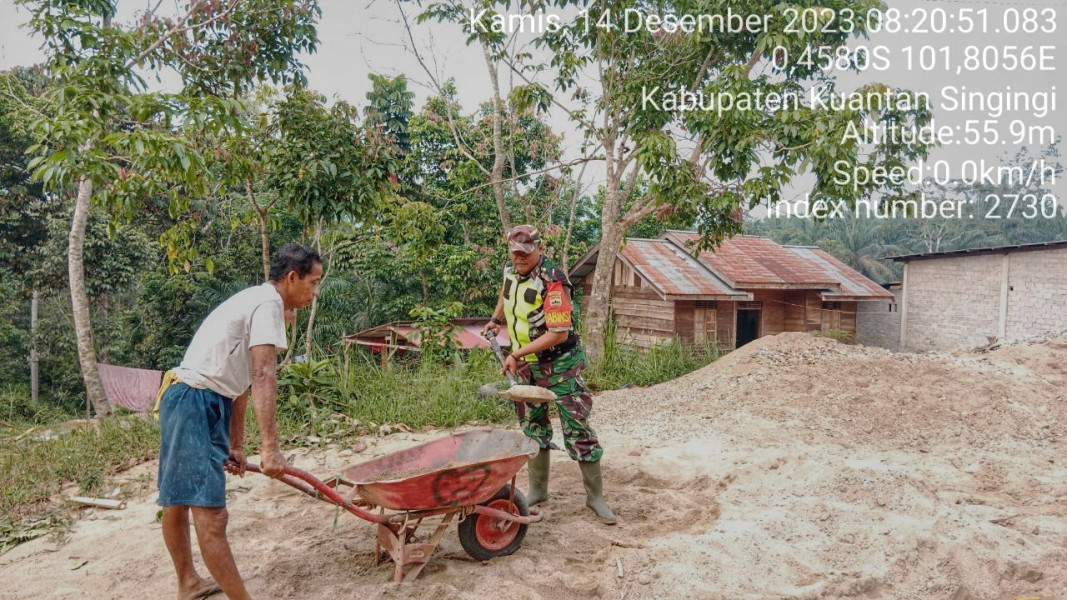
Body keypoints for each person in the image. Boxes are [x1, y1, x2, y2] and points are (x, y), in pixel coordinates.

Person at [156, 244, 322, 600]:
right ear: (292, 277)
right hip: (195, 400)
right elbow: (263, 374)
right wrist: (271, 449)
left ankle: (189, 583)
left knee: (178, 500)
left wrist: (236, 444)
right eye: (313, 282)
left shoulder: (258, 301)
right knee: (211, 516)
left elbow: (242, 385)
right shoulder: (269, 304)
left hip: (191, 398)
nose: (314, 292)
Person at [482, 225, 617, 524]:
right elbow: (506, 294)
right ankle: (539, 490)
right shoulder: (510, 270)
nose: (519, 257)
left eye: (525, 252)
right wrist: (495, 319)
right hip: (527, 364)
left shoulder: (553, 280)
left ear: (539, 249)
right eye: (514, 252)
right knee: (533, 425)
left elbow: (558, 333)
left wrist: (515, 354)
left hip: (560, 364)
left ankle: (595, 498)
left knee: (577, 427)